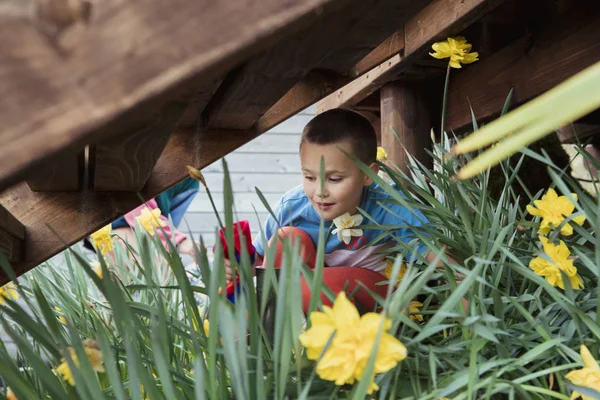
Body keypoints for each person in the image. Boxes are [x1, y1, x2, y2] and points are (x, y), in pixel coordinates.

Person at [225, 109, 454, 313]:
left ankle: (259, 320)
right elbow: (260, 263)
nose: (320, 191)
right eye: (309, 177)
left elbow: (444, 263)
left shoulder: (390, 206)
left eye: (334, 179)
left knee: (283, 290)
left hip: (373, 293)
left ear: (368, 174)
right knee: (288, 238)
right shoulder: (293, 207)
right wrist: (235, 265)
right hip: (312, 294)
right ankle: (272, 342)